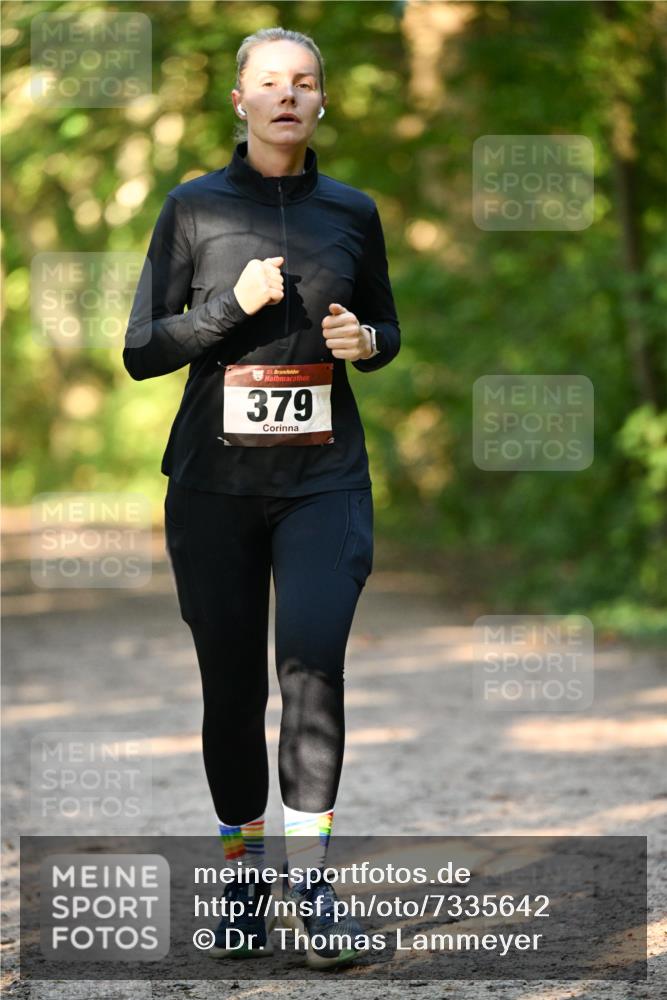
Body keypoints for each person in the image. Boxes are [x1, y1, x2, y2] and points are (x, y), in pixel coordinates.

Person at [123, 26, 400, 970]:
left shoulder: (352, 211)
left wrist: (369, 342)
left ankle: (312, 890)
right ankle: (243, 883)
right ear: (239, 100)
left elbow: (386, 325)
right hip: (214, 488)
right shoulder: (192, 207)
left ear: (322, 101)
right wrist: (227, 308)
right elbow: (141, 350)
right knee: (233, 691)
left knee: (312, 670)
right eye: (271, 82)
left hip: (324, 483)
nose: (289, 95)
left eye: (305, 81)